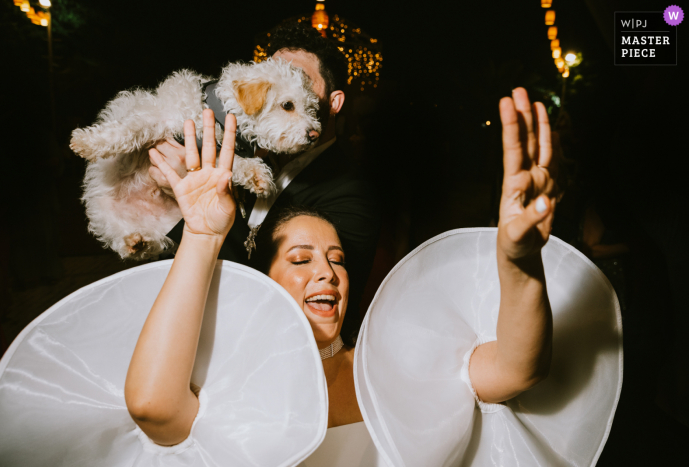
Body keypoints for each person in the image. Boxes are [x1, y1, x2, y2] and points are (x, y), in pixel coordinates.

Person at [126, 86, 557, 445]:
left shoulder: (385, 363)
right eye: (300, 258)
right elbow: (153, 408)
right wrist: (202, 238)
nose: (328, 273)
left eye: (338, 260)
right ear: (265, 282)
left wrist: (520, 264)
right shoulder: (230, 379)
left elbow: (518, 370)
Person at [149, 24, 381, 343]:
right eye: (272, 78)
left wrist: (209, 216)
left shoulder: (353, 194)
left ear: (334, 102)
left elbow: (277, 296)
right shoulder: (240, 155)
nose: (280, 90)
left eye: (299, 80)